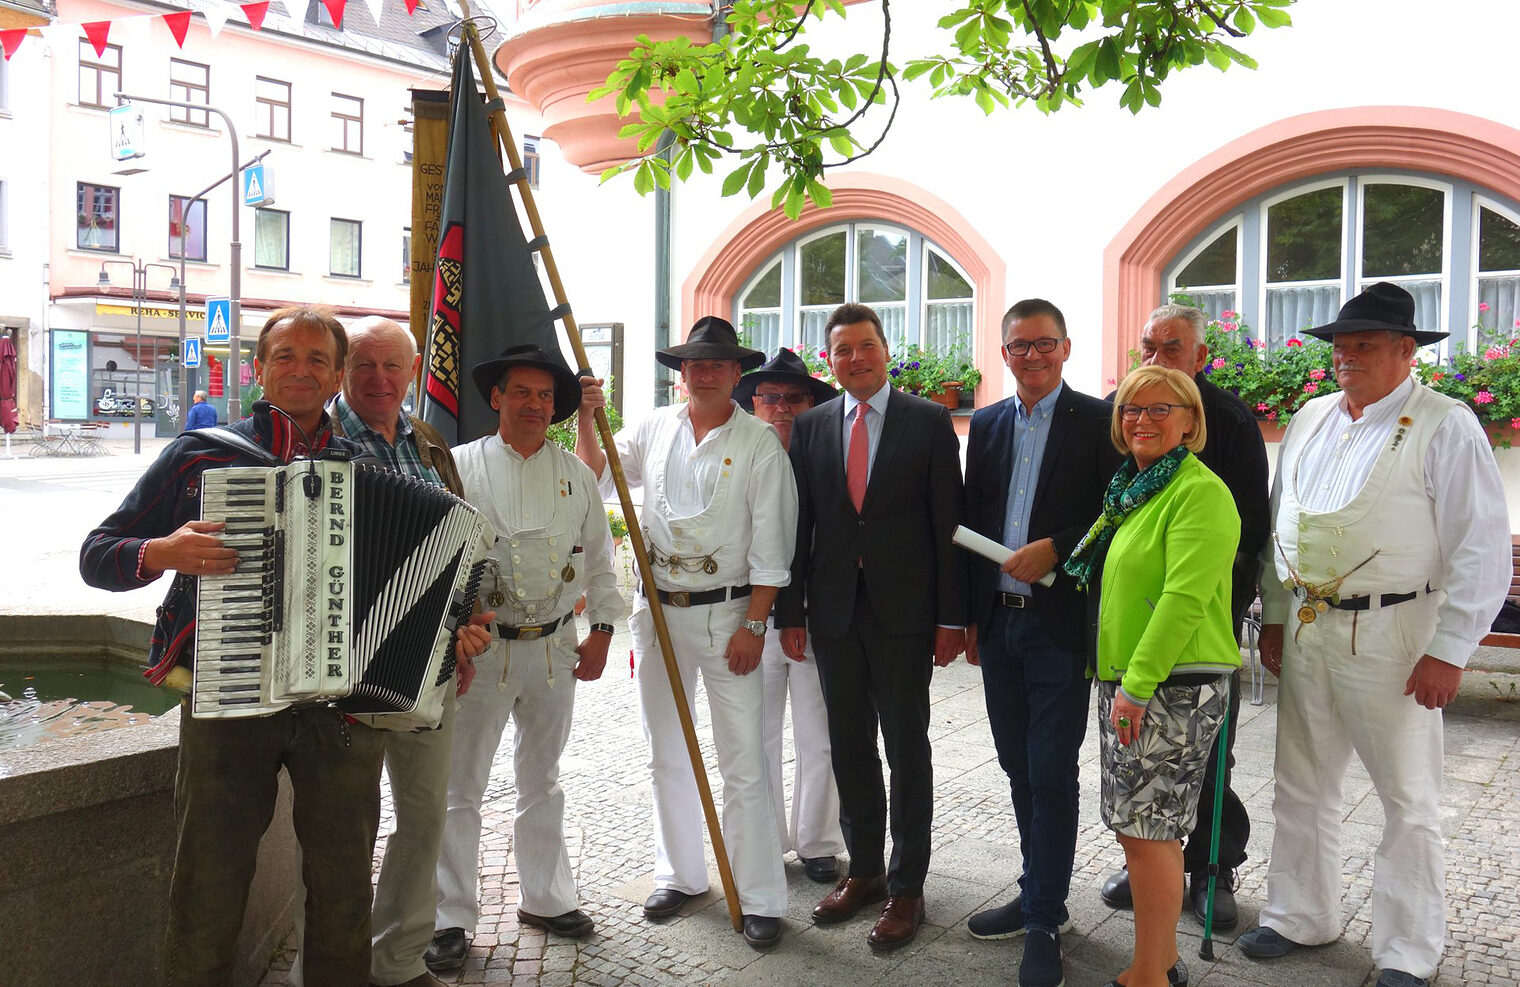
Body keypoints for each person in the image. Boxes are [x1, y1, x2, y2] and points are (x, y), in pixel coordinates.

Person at [78, 307, 492, 987]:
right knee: (208, 879)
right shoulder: (201, 453)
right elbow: (99, 553)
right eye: (285, 356)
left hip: (345, 705)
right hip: (227, 695)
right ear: (260, 369)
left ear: (335, 375)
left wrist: (454, 630)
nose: (301, 369)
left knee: (342, 888)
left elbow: (425, 576)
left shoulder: (367, 462)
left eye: (317, 358)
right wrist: (161, 549)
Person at [1238, 283, 1511, 987]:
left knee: (1407, 796)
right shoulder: (1309, 417)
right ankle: (1299, 912)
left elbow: (1479, 549)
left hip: (1396, 633)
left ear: (1406, 350)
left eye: (1363, 345)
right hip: (1306, 628)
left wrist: (1449, 649)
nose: (1347, 358)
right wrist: (1272, 612)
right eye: (1340, 345)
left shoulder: (1445, 424)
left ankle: (1408, 948)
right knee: (1299, 780)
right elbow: (1281, 525)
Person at [575, 316, 795, 949]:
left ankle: (758, 896)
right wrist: (588, 418)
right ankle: (681, 875)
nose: (702, 372)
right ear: (682, 371)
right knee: (665, 751)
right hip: (659, 615)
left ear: (735, 372)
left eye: (716, 363)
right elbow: (597, 474)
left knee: (744, 760)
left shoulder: (759, 444)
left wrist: (755, 623)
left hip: (731, 616)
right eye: (692, 363)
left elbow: (773, 545)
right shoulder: (653, 428)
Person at [285, 316, 475, 987]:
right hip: (341, 674)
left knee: (423, 821)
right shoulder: (314, 443)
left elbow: (458, 543)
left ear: (413, 371)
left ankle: (397, 963)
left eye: (392, 366)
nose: (379, 380)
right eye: (364, 365)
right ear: (342, 372)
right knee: (341, 840)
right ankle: (322, 971)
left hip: (426, 670)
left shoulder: (428, 441)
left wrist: (466, 621)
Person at [427, 344, 624, 971]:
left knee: (543, 778)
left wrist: (603, 631)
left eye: (545, 396)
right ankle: (450, 916)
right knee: (460, 787)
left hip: (555, 650)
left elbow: (600, 558)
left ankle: (545, 896)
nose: (535, 405)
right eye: (522, 392)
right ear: (497, 397)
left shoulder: (578, 475)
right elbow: (435, 564)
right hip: (481, 654)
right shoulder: (457, 468)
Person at [777, 302, 967, 953]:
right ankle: (865, 868)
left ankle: (908, 884)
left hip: (905, 614)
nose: (854, 359)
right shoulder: (811, 426)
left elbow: (949, 527)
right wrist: (790, 614)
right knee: (847, 744)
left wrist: (951, 618)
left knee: (905, 745)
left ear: (886, 349)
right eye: (842, 350)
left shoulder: (930, 421)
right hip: (832, 612)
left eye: (865, 346)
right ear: (829, 359)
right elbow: (801, 527)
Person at [961, 299, 1122, 987]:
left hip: (1060, 624)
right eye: (1019, 345)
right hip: (1000, 623)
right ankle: (1037, 889)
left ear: (1066, 347)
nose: (1032, 355)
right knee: (1016, 764)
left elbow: (1118, 512)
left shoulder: (1098, 421)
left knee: (1051, 769)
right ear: (1003, 354)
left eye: (1044, 343)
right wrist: (969, 618)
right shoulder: (990, 423)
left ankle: (1043, 919)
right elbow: (976, 516)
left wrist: (1056, 546)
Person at [1064, 364, 1240, 987]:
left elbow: (1182, 600)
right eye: (1132, 410)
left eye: (1160, 409)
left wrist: (1136, 686)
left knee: (1148, 834)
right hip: (1135, 683)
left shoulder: (1199, 492)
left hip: (1169, 688)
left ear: (1191, 421)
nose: (1142, 420)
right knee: (1140, 831)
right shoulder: (1135, 491)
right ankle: (1161, 958)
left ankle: (1147, 974)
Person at [1099, 304, 1269, 929]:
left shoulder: (1224, 419)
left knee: (1207, 761)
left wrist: (1214, 615)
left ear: (1199, 357)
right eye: (1147, 346)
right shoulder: (1130, 422)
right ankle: (1158, 862)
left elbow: (1247, 530)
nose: (1157, 359)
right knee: (1148, 789)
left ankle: (1212, 869)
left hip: (1192, 639)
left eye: (1171, 348)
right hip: (1138, 641)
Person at [733, 348, 846, 885]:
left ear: (810, 403)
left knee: (818, 734)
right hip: (748, 616)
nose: (781, 407)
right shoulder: (741, 455)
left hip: (816, 617)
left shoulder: (828, 453)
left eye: (793, 397)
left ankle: (818, 841)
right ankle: (765, 841)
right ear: (754, 403)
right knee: (756, 735)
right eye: (769, 397)